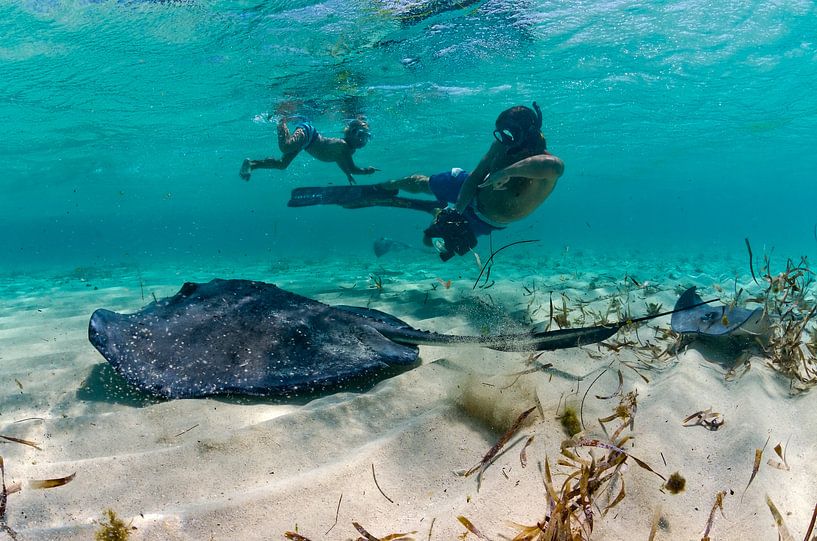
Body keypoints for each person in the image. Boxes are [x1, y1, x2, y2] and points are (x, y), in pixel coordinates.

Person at [375, 102, 565, 261]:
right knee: (421, 183)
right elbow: (476, 176)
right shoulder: (501, 145)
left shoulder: (545, 164)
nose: (506, 139)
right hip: (468, 190)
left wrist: (505, 172)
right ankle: (389, 185)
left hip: (487, 220)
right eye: (503, 133)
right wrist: (456, 211)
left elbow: (554, 166)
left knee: (431, 243)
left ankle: (436, 210)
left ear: (528, 133)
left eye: (512, 133)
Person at [240, 116, 378, 185]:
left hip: (306, 143)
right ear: (351, 133)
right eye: (361, 136)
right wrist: (367, 171)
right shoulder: (343, 146)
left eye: (366, 137)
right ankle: (281, 121)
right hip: (308, 133)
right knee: (285, 147)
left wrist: (347, 174)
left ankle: (252, 164)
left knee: (282, 164)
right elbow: (352, 167)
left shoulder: (345, 151)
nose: (362, 141)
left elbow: (340, 160)